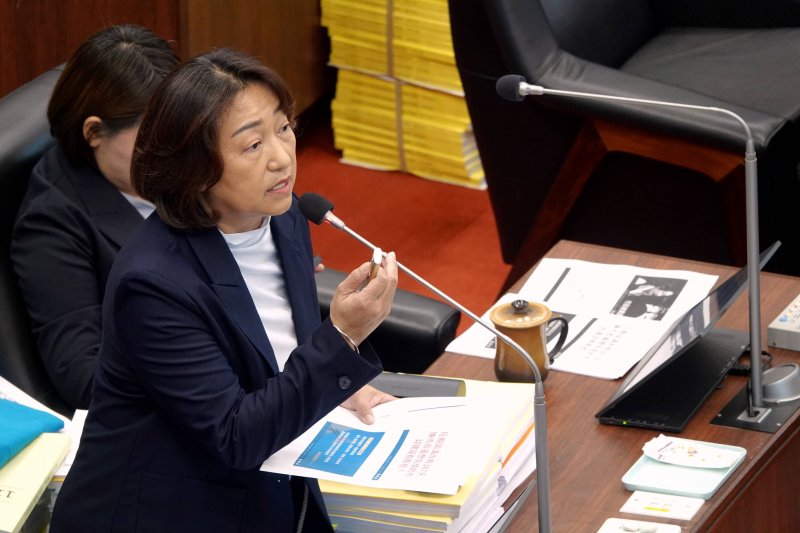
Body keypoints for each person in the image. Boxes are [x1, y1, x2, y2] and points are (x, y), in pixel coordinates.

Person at [49, 48, 398, 532]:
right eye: (252, 145)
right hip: (169, 511)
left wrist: (337, 386)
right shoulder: (153, 284)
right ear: (194, 167)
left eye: (283, 127)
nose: (281, 157)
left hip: (273, 482)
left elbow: (275, 350)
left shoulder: (284, 218)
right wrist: (340, 340)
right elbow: (236, 435)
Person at [11, 25, 180, 409]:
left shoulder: (176, 160)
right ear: (94, 132)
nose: (173, 152)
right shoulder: (51, 224)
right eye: (151, 139)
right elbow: (83, 377)